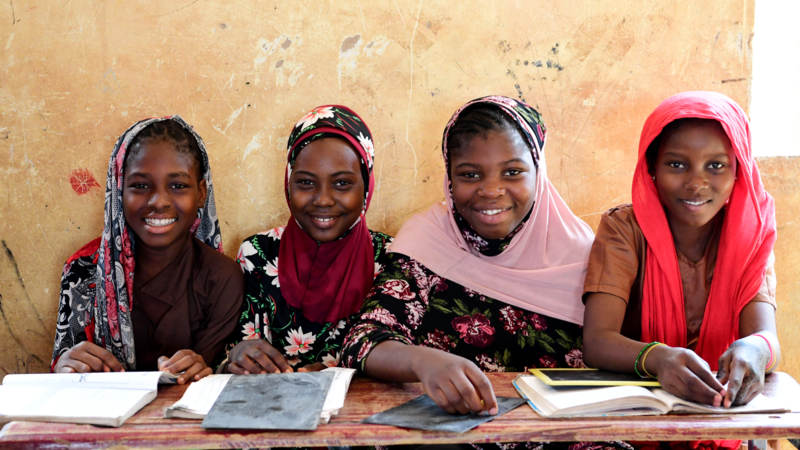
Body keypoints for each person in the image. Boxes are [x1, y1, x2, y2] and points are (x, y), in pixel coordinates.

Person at [339, 95, 630, 450]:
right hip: (449, 441)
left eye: (512, 172)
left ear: (539, 172)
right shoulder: (427, 241)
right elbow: (364, 340)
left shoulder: (585, 256)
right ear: (449, 178)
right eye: (470, 174)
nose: (491, 190)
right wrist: (422, 362)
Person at [582, 92, 779, 417]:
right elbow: (597, 342)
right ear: (652, 168)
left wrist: (756, 349)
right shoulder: (624, 229)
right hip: (631, 425)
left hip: (720, 420)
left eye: (716, 165)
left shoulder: (750, 236)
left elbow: (766, 337)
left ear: (739, 170)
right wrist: (659, 358)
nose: (696, 182)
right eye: (677, 164)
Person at [51, 116, 243, 384]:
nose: (159, 202)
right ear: (119, 190)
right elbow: (63, 374)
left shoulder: (221, 278)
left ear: (201, 193)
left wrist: (198, 367)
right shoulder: (84, 270)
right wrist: (66, 367)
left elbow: (211, 376)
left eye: (178, 186)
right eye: (140, 186)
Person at [224, 105, 392, 374]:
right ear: (288, 183)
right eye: (306, 183)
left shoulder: (392, 260)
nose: (323, 200)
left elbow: (401, 354)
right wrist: (239, 355)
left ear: (366, 186)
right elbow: (239, 351)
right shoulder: (257, 254)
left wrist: (342, 376)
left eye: (342, 184)